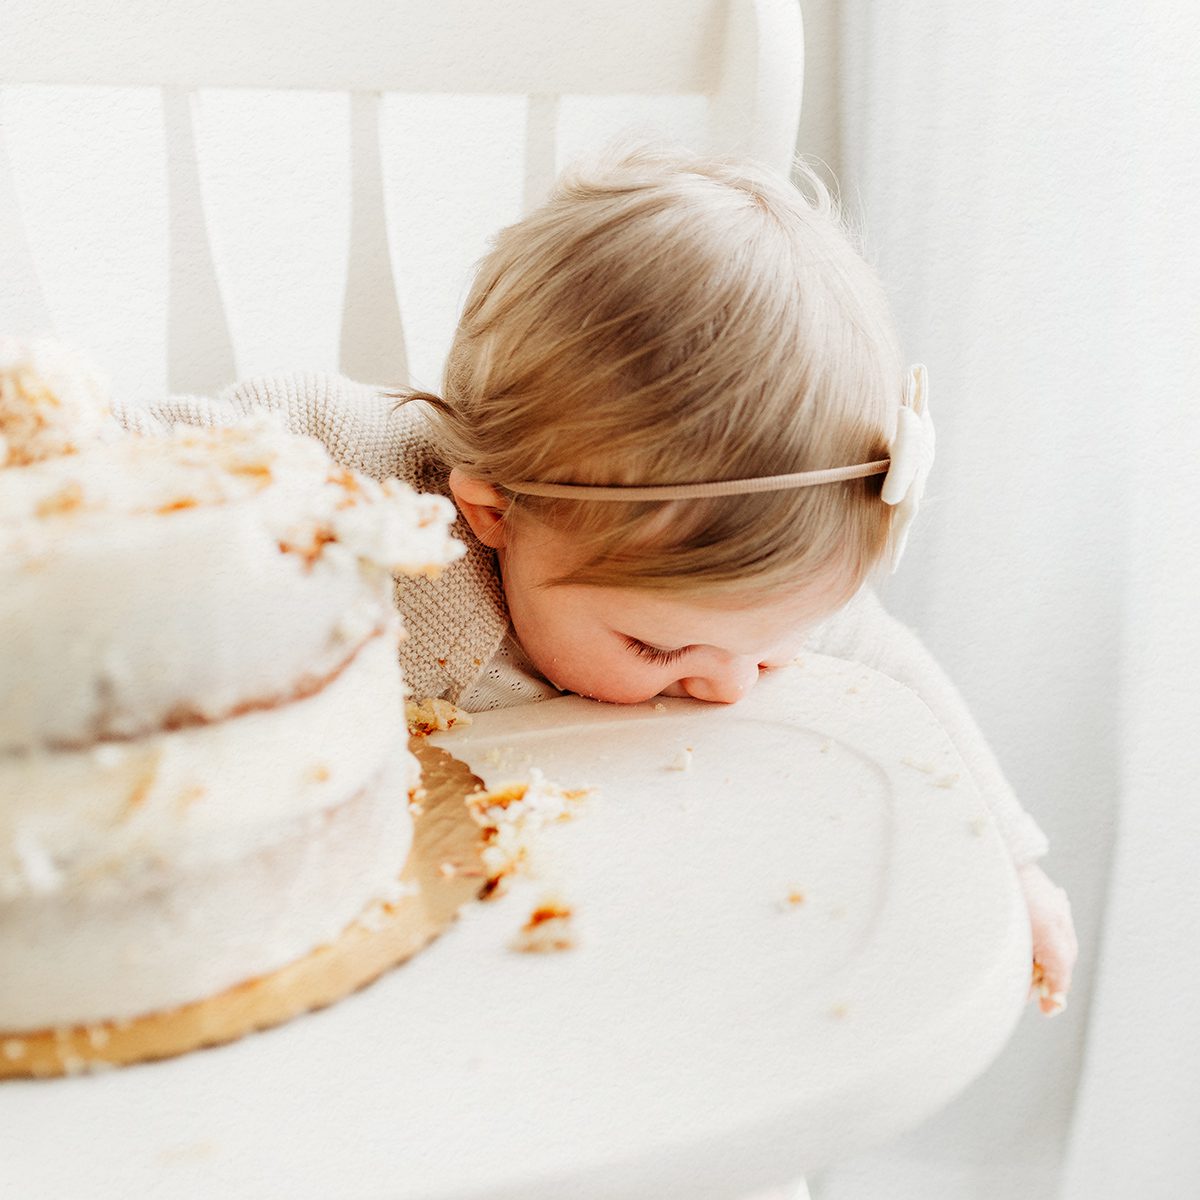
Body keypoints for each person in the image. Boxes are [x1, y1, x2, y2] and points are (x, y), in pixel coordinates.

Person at [114, 142, 1077, 1012]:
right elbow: (139, 457)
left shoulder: (748, 594)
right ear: (493, 510)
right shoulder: (356, 481)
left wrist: (1010, 857)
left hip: (587, 958)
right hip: (319, 936)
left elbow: (899, 687)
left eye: (774, 648)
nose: (728, 683)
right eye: (659, 646)